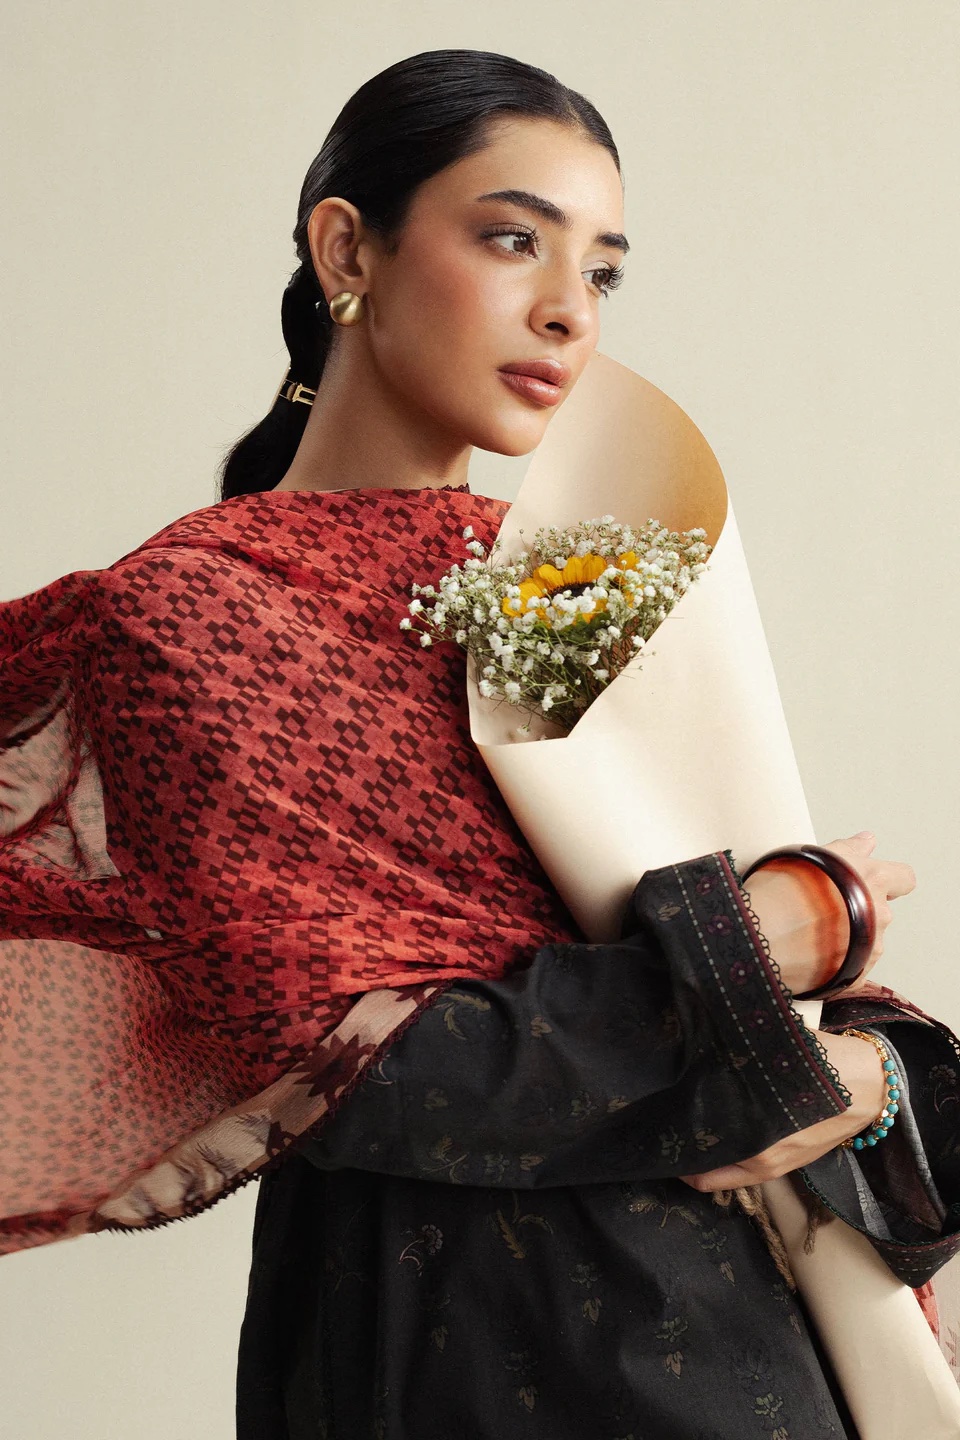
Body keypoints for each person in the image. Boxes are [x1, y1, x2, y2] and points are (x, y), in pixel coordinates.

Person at [1, 48, 957, 1440]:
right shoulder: (197, 618)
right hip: (450, 1345)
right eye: (515, 240)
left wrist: (865, 1072)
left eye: (604, 271)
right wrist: (752, 949)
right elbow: (363, 1069)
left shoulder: (580, 582)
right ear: (349, 250)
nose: (570, 310)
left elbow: (797, 994)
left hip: (753, 1343)